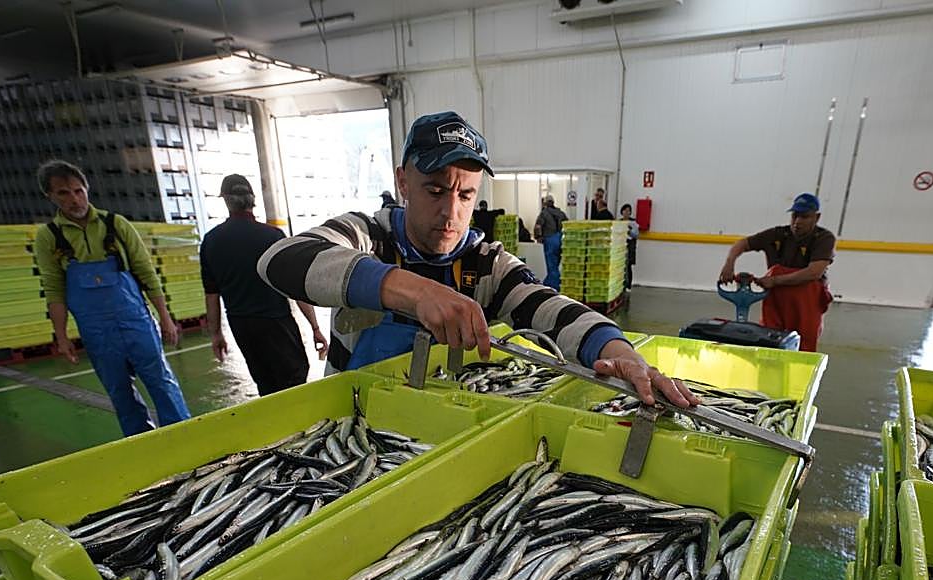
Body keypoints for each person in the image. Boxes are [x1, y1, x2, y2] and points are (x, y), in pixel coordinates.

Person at [256, 110, 694, 407]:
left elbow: (551, 309)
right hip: (350, 421)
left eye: (466, 194)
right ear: (402, 183)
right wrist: (411, 290)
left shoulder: (486, 263)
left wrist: (622, 354)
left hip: (444, 427)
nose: (451, 213)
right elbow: (279, 259)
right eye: (435, 190)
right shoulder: (367, 235)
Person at [34, 159, 190, 436]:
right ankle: (140, 442)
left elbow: (145, 272)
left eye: (78, 190)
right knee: (119, 391)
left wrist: (165, 317)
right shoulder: (49, 237)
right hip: (97, 331)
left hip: (136, 322)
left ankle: (182, 434)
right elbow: (54, 288)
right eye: (64, 193)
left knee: (161, 381)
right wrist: (61, 334)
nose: (74, 199)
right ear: (50, 196)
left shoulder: (116, 225)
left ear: (86, 189)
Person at [201, 174, 327, 396]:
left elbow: (212, 295)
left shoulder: (211, 241)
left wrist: (216, 334)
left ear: (226, 201)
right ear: (252, 200)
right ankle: (300, 427)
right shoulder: (272, 236)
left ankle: (277, 427)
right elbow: (295, 287)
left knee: (265, 383)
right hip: (276, 323)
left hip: (242, 325)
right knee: (294, 379)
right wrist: (315, 328)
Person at [719, 193, 836, 351]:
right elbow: (742, 244)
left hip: (807, 302)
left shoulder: (824, 238)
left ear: (817, 217)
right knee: (769, 341)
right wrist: (729, 264)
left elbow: (814, 272)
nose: (797, 222)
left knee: (803, 346)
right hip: (776, 300)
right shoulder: (779, 234)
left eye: (804, 217)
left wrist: (775, 281)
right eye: (795, 216)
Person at [534, 194, 568, 291]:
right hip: (561, 240)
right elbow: (567, 226)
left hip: (550, 240)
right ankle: (549, 282)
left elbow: (538, 227)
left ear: (545, 203)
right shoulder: (561, 213)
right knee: (556, 264)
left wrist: (538, 237)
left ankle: (554, 286)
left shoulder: (544, 213)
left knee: (551, 265)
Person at [620, 203, 639, 290]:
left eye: (628, 211)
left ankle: (628, 285)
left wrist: (629, 230)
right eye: (625, 210)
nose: (626, 212)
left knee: (628, 266)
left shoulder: (633, 223)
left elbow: (636, 235)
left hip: (629, 245)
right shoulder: (619, 222)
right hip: (620, 246)